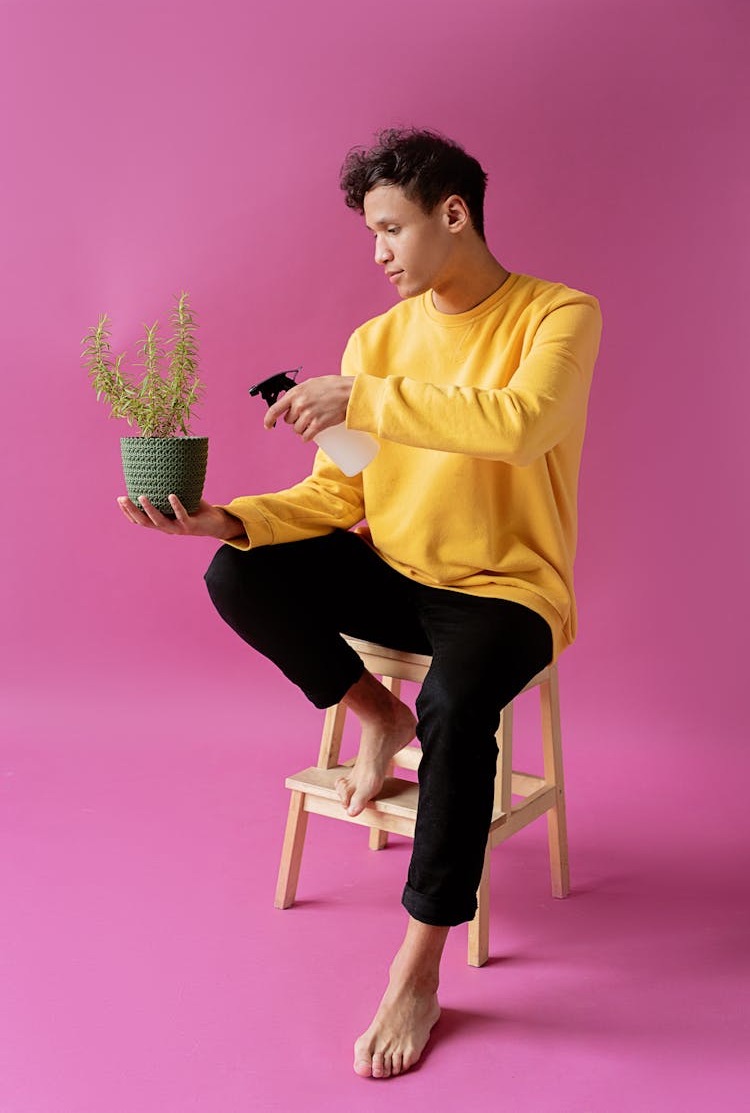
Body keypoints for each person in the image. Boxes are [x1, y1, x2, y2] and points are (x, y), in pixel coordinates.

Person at [117, 126, 603, 1079]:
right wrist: (224, 517)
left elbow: (521, 424)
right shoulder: (375, 343)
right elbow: (342, 495)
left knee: (460, 710)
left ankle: (417, 967)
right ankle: (371, 711)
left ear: (452, 215)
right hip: (398, 574)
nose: (377, 251)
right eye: (370, 232)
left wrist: (365, 398)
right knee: (237, 570)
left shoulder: (558, 314)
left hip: (507, 590)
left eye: (391, 228)